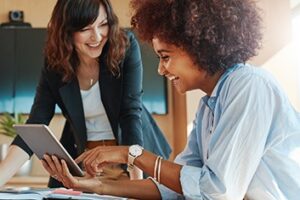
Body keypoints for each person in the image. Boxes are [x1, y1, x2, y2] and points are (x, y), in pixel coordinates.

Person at [41, 0, 300, 199]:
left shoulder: (249, 86)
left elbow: (216, 192)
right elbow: (177, 187)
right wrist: (98, 185)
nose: (161, 69)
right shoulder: (209, 106)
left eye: (165, 57)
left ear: (198, 46)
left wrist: (132, 154)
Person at [0, 0, 171, 188]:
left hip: (131, 156)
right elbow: (35, 124)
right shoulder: (55, 64)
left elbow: (130, 113)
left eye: (103, 24)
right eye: (85, 29)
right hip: (87, 165)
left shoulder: (125, 46)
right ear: (67, 31)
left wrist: (137, 181)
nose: (97, 36)